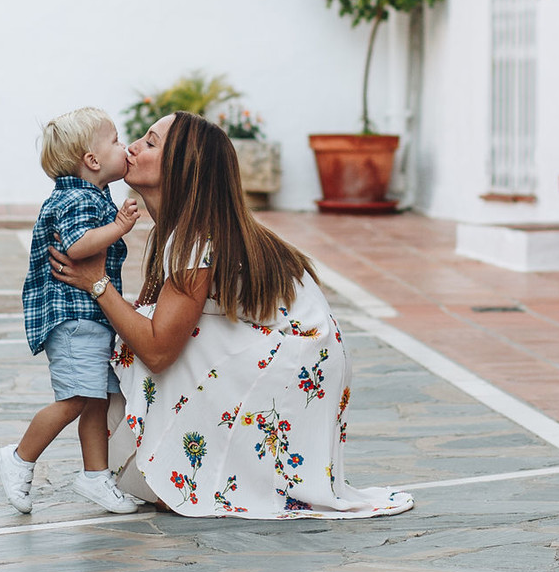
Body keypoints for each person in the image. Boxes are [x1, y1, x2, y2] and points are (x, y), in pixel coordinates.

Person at [51, 111, 413, 519]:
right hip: (295, 350)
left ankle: (198, 475)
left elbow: (157, 350)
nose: (132, 147)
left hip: (298, 358)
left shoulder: (195, 238)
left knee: (148, 346)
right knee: (139, 331)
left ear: (183, 168)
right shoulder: (183, 232)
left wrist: (97, 284)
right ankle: (182, 470)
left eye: (150, 143)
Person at [0, 107, 140, 515]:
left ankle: (96, 476)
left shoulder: (89, 194)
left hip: (88, 316)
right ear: (92, 161)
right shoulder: (78, 197)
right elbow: (78, 246)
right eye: (115, 141)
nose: (124, 146)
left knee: (94, 399)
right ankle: (20, 457)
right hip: (74, 318)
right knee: (76, 398)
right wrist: (119, 228)